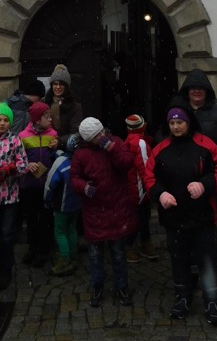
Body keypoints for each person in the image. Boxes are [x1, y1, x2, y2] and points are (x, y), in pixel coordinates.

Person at [144, 104, 217, 326]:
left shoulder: (205, 144)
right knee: (178, 259)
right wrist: (160, 194)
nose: (176, 127)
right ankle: (183, 297)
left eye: (179, 122)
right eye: (172, 123)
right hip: (174, 218)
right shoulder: (160, 149)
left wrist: (205, 185)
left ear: (188, 123)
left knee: (207, 260)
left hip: (203, 216)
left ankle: (212, 300)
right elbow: (149, 176)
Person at [70, 116, 137, 307]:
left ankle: (122, 286)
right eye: (95, 136)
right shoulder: (81, 154)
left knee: (118, 252)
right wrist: (84, 187)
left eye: (101, 133)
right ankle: (97, 285)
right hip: (94, 210)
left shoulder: (115, 142)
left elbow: (127, 163)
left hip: (116, 207)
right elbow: (74, 178)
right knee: (95, 254)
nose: (100, 138)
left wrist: (112, 149)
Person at [0, 102, 29, 289]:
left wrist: (10, 170)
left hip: (10, 197)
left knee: (7, 236)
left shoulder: (15, 141)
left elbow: (23, 165)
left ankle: (5, 271)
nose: (2, 123)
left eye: (6, 120)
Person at [179, 69, 217, 210]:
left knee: (211, 213)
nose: (197, 91)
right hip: (184, 171)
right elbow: (164, 137)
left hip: (212, 172)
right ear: (187, 90)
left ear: (207, 91)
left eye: (201, 88)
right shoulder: (179, 110)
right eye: (193, 88)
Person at [19, 101, 58, 267]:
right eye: (46, 117)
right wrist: (27, 164)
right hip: (29, 185)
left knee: (46, 218)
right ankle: (32, 247)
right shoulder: (23, 136)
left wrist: (56, 146)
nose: (50, 119)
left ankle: (44, 250)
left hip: (47, 185)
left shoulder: (53, 134)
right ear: (36, 120)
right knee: (31, 218)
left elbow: (55, 156)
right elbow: (19, 157)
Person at [44, 134, 82, 276]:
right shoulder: (80, 161)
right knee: (72, 229)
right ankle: (73, 256)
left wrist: (47, 201)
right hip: (77, 203)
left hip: (62, 204)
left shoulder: (61, 162)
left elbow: (50, 184)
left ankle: (65, 259)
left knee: (59, 231)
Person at [123, 114, 158, 263]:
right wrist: (151, 185)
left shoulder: (129, 140)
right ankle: (132, 244)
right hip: (140, 187)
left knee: (139, 216)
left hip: (134, 186)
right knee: (141, 216)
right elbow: (145, 166)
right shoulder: (140, 143)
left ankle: (140, 242)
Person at [45, 64, 83, 149]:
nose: (58, 87)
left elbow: (75, 132)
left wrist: (60, 141)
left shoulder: (75, 107)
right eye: (55, 84)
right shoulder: (45, 103)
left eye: (61, 84)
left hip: (66, 148)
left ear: (66, 86)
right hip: (45, 146)